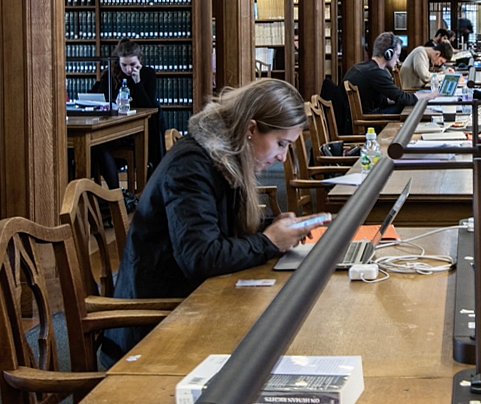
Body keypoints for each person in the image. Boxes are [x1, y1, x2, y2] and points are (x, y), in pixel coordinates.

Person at [116, 80, 318, 301]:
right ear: (251, 129)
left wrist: (273, 226)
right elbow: (200, 257)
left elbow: (217, 226)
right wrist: (268, 242)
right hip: (161, 312)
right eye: (281, 143)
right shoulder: (191, 166)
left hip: (193, 296)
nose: (283, 157)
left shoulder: (223, 158)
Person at [94, 40, 159, 184]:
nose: (128, 69)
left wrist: (137, 82)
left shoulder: (147, 74)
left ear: (140, 61)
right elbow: (100, 99)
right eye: (124, 65)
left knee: (100, 147)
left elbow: (149, 106)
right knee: (96, 147)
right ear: (118, 62)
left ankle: (117, 196)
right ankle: (112, 196)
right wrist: (114, 103)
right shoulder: (111, 75)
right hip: (113, 128)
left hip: (139, 129)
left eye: (133, 65)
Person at [344, 34, 417, 116]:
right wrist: (427, 96)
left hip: (355, 119)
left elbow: (377, 99)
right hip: (369, 121)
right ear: (388, 53)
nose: (398, 61)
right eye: (397, 55)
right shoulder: (376, 73)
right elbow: (403, 98)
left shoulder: (359, 67)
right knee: (407, 109)